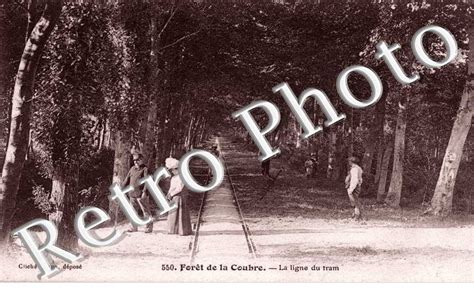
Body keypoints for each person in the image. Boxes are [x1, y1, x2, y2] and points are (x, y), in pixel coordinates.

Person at [123, 153, 154, 233]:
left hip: (141, 194)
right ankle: (133, 227)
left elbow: (148, 182)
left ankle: (148, 227)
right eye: (134, 160)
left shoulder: (145, 169)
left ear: (141, 159)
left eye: (137, 160)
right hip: (132, 194)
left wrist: (144, 192)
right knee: (133, 211)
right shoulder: (132, 169)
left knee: (145, 211)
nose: (135, 162)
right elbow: (127, 180)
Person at [166, 157, 192, 236]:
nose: (173, 172)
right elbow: (171, 187)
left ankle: (182, 230)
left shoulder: (182, 177)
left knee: (181, 213)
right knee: (173, 214)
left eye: (173, 170)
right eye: (172, 170)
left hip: (180, 197)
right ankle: (173, 229)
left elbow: (179, 188)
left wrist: (172, 194)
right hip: (174, 197)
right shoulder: (173, 178)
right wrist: (168, 193)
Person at [345, 156, 364, 220]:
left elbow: (354, 179)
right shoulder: (359, 168)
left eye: (349, 161)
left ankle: (357, 216)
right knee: (355, 201)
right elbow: (360, 178)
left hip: (354, 187)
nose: (348, 163)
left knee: (354, 202)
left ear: (351, 162)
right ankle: (356, 215)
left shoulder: (354, 169)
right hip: (356, 186)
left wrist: (351, 189)